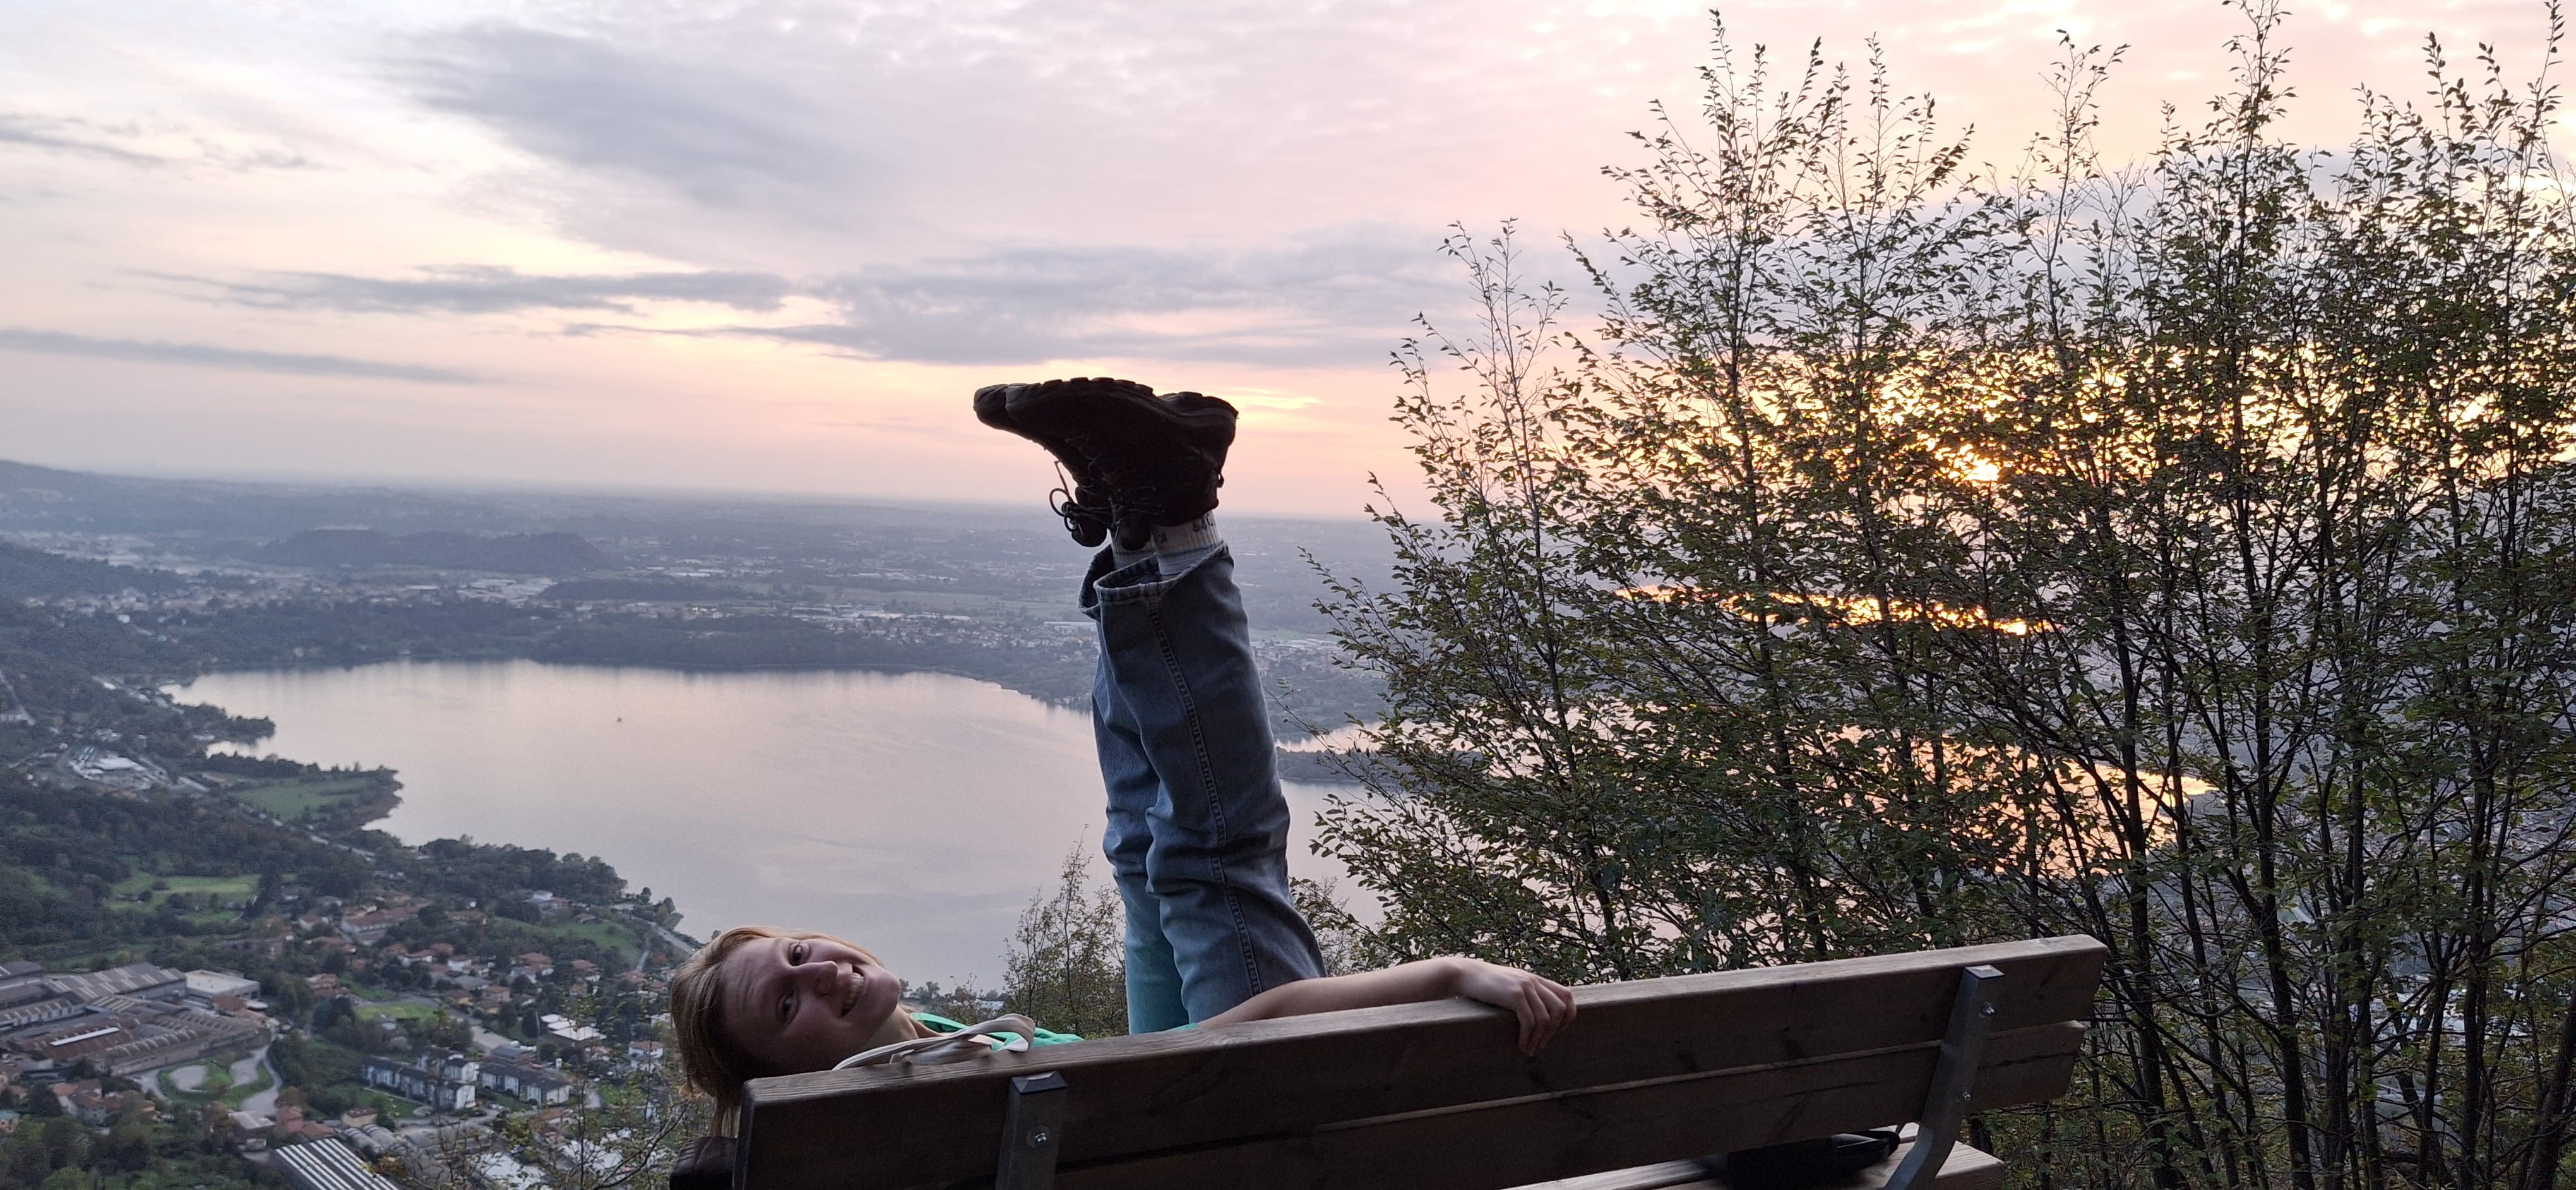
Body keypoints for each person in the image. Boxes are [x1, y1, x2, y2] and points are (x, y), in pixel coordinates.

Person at [669, 378, 1575, 1123]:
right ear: (781, 1081)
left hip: (1155, 1105)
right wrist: (1455, 971)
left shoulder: (906, 1073)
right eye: (788, 1007)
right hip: (1237, 1128)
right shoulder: (922, 1099)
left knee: (1145, 853)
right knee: (1212, 858)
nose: (823, 973)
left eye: (796, 958)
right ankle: (1171, 520)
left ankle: (1137, 526)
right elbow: (1246, 1034)